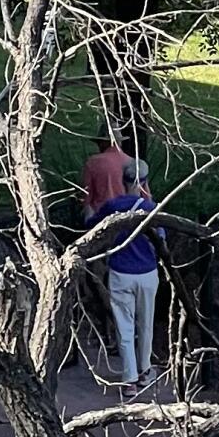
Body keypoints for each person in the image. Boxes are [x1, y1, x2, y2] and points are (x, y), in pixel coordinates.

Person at [92, 157, 163, 390]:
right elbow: (161, 239)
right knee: (146, 324)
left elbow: (91, 224)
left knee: (125, 327)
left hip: (121, 271)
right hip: (147, 273)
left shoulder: (113, 206)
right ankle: (145, 370)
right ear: (144, 182)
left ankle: (129, 378)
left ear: (123, 182)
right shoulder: (151, 209)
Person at [82, 128, 128, 214]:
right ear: (119, 143)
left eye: (99, 142)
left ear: (104, 143)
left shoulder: (92, 163)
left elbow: (87, 196)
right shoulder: (133, 162)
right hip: (130, 214)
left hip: (101, 215)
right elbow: (146, 196)